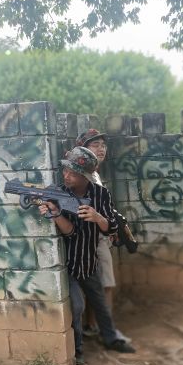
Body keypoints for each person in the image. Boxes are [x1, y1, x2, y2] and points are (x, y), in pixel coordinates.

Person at [38, 146, 135, 365]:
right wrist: (53, 213)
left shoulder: (101, 194)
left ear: (85, 177)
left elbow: (112, 229)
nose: (66, 176)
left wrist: (98, 217)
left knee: (100, 303)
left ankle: (111, 339)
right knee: (77, 306)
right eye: (65, 171)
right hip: (69, 264)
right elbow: (71, 232)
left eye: (72, 173)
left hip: (89, 261)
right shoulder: (59, 193)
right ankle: (78, 350)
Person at [74, 129, 129, 342]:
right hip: (94, 238)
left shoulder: (92, 173)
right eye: (95, 145)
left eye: (103, 145)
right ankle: (109, 332)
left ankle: (92, 325)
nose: (101, 149)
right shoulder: (85, 175)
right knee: (106, 285)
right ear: (82, 149)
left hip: (96, 236)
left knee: (96, 285)